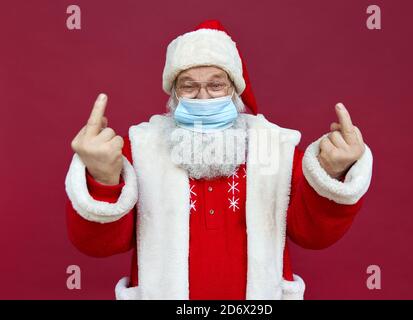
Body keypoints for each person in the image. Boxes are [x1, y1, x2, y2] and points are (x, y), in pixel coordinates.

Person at [65, 20, 373, 300]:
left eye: (216, 85)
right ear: (173, 94)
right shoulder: (144, 149)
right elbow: (99, 245)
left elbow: (312, 234)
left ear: (235, 92)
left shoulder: (271, 146)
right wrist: (103, 177)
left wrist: (333, 172)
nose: (203, 98)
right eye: (188, 85)